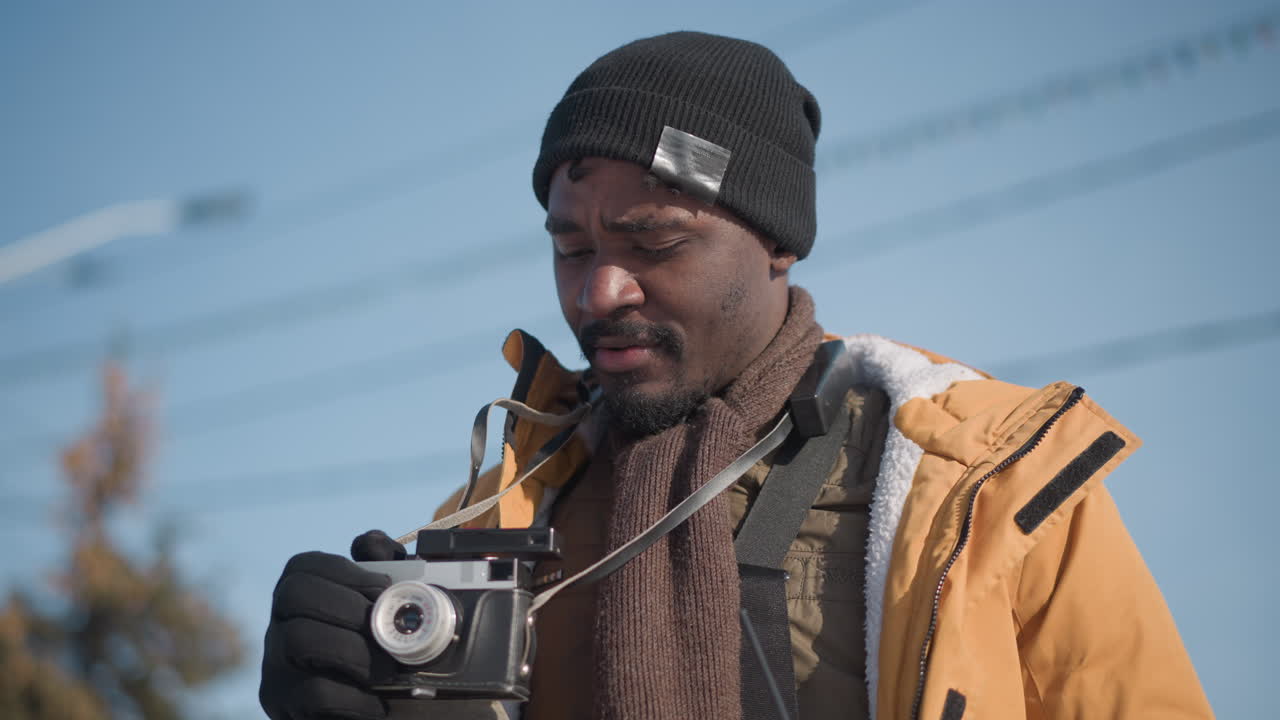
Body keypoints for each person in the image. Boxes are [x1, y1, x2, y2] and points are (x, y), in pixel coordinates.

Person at [258, 31, 1214, 720]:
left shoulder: (985, 487)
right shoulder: (502, 519)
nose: (599, 291)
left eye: (655, 239)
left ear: (777, 243)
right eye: (571, 246)